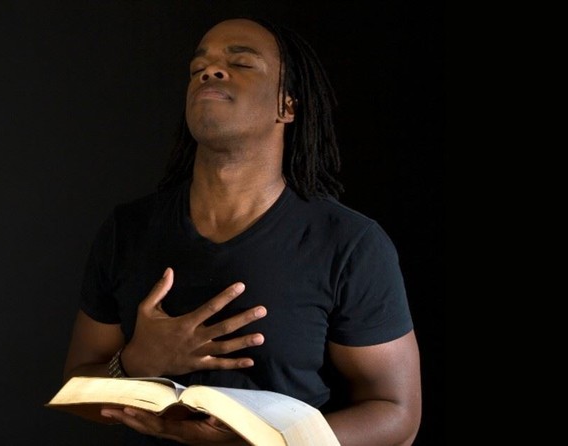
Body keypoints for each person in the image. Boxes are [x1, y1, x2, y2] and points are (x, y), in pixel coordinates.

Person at [62, 16, 421, 446]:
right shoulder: (129, 230)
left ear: (286, 105)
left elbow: (397, 414)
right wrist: (138, 360)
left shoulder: (348, 243)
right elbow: (76, 390)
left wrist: (265, 444)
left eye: (242, 63)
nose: (210, 71)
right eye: (199, 68)